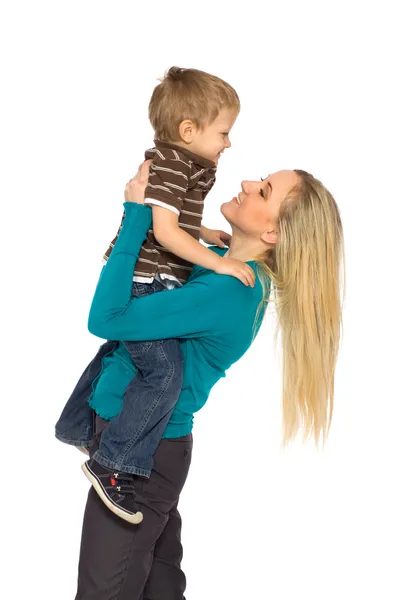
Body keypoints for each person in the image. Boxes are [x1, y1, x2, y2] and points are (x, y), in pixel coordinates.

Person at [56, 160, 344, 599]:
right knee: (159, 587)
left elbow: (106, 317)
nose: (248, 183)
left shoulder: (231, 289)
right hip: (150, 448)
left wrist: (135, 214)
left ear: (273, 234)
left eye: (264, 192)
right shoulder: (225, 271)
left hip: (139, 455)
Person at [64, 66, 255, 525]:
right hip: (146, 279)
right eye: (224, 132)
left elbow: (177, 222)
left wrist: (209, 234)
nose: (228, 143)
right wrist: (218, 261)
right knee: (164, 375)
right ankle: (111, 463)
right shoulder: (172, 165)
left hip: (157, 277)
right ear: (189, 131)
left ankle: (72, 425)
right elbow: (165, 232)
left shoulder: (187, 163)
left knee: (123, 351)